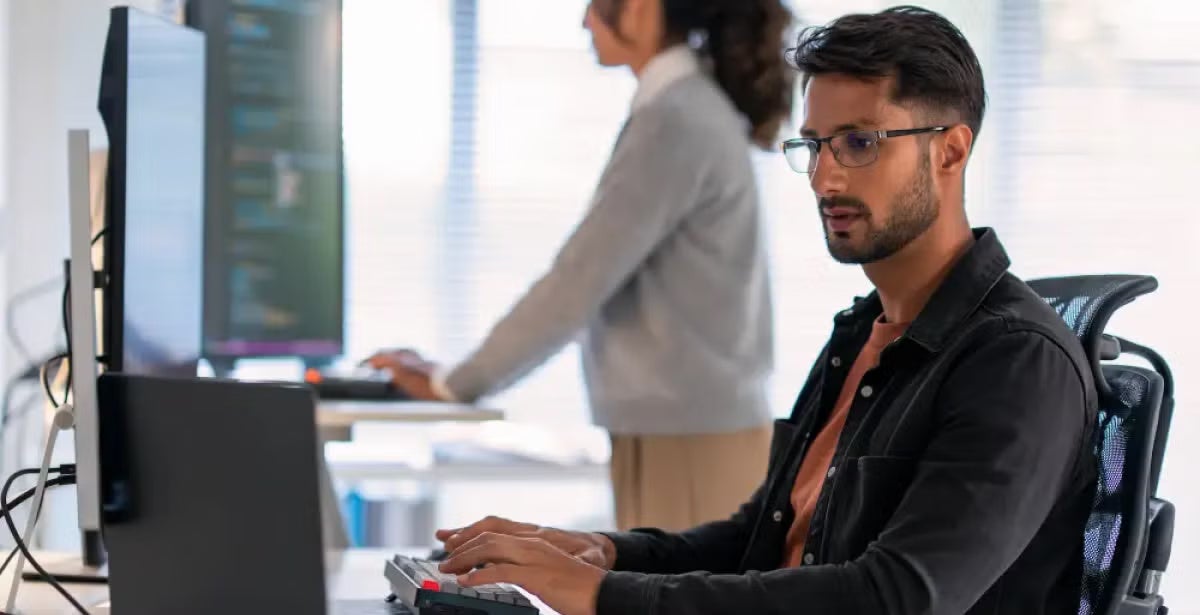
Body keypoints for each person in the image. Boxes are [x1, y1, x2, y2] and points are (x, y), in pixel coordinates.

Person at [427, 6, 1100, 615]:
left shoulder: (1016, 362)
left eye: (860, 142)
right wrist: (601, 552)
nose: (826, 178)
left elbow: (898, 594)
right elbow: (758, 536)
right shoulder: (862, 332)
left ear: (950, 151)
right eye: (814, 145)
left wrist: (603, 595)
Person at [369, 0, 795, 532]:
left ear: (641, 9)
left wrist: (455, 384)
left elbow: (578, 281)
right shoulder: (680, 107)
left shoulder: (675, 118)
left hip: (690, 440)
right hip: (687, 430)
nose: (585, 21)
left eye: (596, 5)